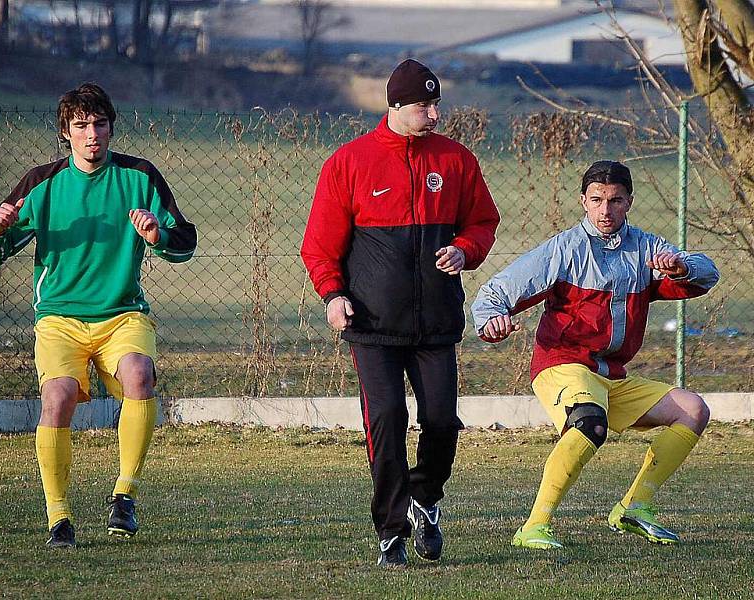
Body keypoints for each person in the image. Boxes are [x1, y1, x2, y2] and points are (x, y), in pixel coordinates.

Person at [0, 83, 197, 548]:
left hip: (122, 315)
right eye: (80, 126)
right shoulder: (42, 183)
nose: (91, 133)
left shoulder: (140, 177)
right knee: (57, 396)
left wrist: (156, 235)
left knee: (139, 375)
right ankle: (59, 518)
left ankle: (124, 496)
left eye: (99, 124)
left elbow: (186, 241)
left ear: (111, 127)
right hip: (59, 319)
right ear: (65, 133)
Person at [301, 59, 500, 567]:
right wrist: (332, 296)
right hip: (371, 325)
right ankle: (391, 532)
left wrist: (464, 249)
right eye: (424, 106)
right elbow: (318, 247)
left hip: (435, 323)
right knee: (387, 419)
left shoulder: (456, 161)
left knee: (440, 422)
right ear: (395, 106)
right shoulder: (349, 162)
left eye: (437, 104)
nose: (434, 114)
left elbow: (483, 222)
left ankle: (425, 498)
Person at [471, 160, 719, 550]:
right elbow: (495, 292)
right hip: (562, 365)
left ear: (629, 202)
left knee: (692, 409)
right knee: (589, 422)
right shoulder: (564, 249)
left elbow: (707, 273)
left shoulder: (648, 248)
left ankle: (635, 508)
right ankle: (534, 527)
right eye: (597, 200)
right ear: (583, 201)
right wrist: (492, 321)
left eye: (616, 200)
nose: (606, 210)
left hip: (610, 374)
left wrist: (681, 266)